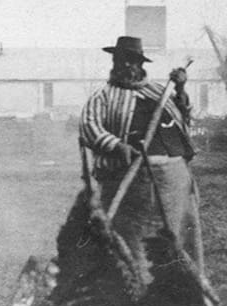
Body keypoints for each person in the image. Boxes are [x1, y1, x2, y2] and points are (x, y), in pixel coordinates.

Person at [79, 36, 199, 278]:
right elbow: (89, 127)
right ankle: (134, 283)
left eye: (132, 61)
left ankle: (182, 284)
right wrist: (117, 146)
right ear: (114, 62)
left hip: (173, 182)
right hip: (128, 181)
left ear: (141, 64)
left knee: (176, 238)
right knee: (131, 240)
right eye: (121, 60)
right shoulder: (102, 96)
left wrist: (180, 89)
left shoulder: (158, 91)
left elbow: (184, 117)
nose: (127, 66)